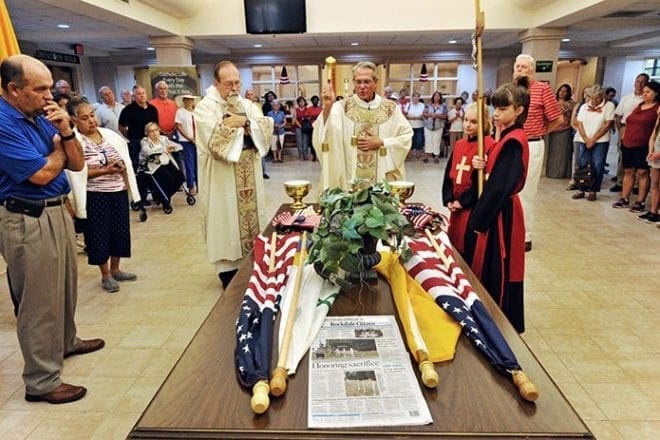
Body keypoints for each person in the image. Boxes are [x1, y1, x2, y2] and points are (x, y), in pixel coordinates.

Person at [0, 54, 105, 404]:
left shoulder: (41, 116)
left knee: (64, 286)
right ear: (14, 90)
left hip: (56, 209)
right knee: (38, 300)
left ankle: (65, 342)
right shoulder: (3, 122)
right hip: (26, 217)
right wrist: (58, 152)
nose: (50, 96)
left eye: (50, 88)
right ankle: (41, 380)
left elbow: (75, 163)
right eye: (40, 89)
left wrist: (64, 132)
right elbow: (41, 174)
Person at [194, 60, 273, 288]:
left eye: (237, 82)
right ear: (216, 83)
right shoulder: (206, 107)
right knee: (224, 217)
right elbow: (214, 141)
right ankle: (227, 269)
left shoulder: (246, 104)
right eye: (229, 83)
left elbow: (265, 127)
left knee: (250, 220)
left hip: (249, 172)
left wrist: (245, 122)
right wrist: (247, 131)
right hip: (222, 177)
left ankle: (252, 262)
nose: (235, 88)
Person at [464, 76, 531, 333]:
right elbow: (493, 176)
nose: (496, 114)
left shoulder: (514, 141)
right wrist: (482, 167)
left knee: (499, 264)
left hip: (501, 213)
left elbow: (500, 187)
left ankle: (499, 317)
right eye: (495, 108)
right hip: (498, 209)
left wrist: (478, 220)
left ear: (519, 111)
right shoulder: (505, 137)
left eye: (503, 109)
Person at [66, 96, 140, 292]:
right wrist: (106, 170)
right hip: (95, 195)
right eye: (85, 118)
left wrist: (121, 167)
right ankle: (105, 274)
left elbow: (124, 157)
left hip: (118, 190)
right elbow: (77, 171)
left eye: (92, 115)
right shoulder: (74, 141)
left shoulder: (108, 135)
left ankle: (116, 269)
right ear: (74, 120)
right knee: (99, 234)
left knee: (120, 231)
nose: (91, 120)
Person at [313, 61, 412, 191]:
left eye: (367, 81)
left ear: (375, 83)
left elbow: (406, 136)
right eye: (358, 82)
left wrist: (382, 142)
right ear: (354, 82)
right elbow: (326, 134)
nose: (362, 86)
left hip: (381, 179)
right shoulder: (342, 107)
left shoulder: (390, 108)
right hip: (350, 182)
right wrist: (327, 107)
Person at [512, 54, 562, 252]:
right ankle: (509, 232)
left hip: (532, 144)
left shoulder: (542, 90)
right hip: (511, 143)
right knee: (509, 190)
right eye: (517, 66)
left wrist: (539, 132)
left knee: (526, 191)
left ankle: (525, 235)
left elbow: (557, 119)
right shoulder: (511, 90)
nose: (520, 70)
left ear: (532, 70)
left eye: (524, 67)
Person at [442, 103, 494, 256]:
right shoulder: (459, 144)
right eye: (465, 120)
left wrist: (463, 201)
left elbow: (482, 181)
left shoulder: (488, 145)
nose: (468, 125)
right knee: (454, 243)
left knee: (468, 245)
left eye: (474, 122)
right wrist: (449, 198)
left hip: (471, 205)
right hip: (456, 203)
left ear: (485, 123)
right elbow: (448, 173)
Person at [612, 80, 660, 212]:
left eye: (648, 92)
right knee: (628, 171)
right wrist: (623, 135)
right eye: (643, 92)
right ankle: (624, 198)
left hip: (644, 144)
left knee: (642, 173)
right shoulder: (639, 106)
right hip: (628, 142)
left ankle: (640, 201)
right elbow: (627, 121)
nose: (644, 94)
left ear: (656, 93)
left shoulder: (657, 108)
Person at [570, 84, 615, 201]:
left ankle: (593, 191)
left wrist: (593, 139)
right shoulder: (585, 106)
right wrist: (586, 138)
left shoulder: (609, 106)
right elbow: (579, 123)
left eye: (597, 98)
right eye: (592, 98)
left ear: (602, 96)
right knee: (582, 164)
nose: (594, 101)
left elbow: (607, 124)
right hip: (583, 139)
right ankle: (581, 189)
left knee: (597, 165)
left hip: (600, 141)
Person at [611, 73, 649, 192]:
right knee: (623, 158)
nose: (640, 84)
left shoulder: (647, 99)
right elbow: (618, 116)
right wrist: (620, 130)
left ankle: (637, 184)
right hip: (625, 130)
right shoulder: (626, 98)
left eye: (643, 82)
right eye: (638, 81)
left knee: (639, 160)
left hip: (642, 133)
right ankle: (620, 181)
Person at [139, 122, 185, 209]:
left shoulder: (163, 139)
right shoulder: (145, 142)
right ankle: (164, 198)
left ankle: (162, 196)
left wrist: (173, 148)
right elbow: (148, 151)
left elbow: (179, 146)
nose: (154, 133)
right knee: (169, 178)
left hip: (166, 164)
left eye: (156, 130)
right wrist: (164, 149)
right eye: (151, 131)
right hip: (153, 166)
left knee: (180, 177)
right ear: (147, 133)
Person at [118, 85, 159, 168]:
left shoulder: (153, 109)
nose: (142, 95)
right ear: (134, 96)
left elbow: (156, 125)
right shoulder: (128, 110)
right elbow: (121, 127)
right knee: (139, 167)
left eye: (143, 93)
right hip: (136, 143)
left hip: (152, 142)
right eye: (139, 94)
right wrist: (131, 137)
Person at [545, 83, 575, 179]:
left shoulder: (571, 103)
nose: (562, 93)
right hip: (554, 129)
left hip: (565, 130)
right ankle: (552, 172)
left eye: (565, 91)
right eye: (561, 90)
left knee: (563, 152)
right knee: (553, 152)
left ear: (568, 93)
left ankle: (562, 173)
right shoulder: (552, 101)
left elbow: (572, 116)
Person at [174, 94, 199, 194]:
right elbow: (178, 126)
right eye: (187, 99)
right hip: (186, 141)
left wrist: (197, 138)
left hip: (198, 141)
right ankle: (191, 186)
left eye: (191, 99)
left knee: (198, 164)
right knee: (189, 164)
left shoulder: (197, 112)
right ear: (184, 101)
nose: (189, 101)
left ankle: (199, 185)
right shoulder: (180, 112)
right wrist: (189, 138)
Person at [244, 88, 269, 179]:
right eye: (248, 94)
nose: (250, 96)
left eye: (252, 94)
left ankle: (263, 172)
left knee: (260, 152)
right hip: (248, 132)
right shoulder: (243, 105)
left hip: (257, 131)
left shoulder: (257, 106)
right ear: (245, 96)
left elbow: (260, 118)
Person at [641, 113, 660, 224]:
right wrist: (650, 151)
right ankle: (653, 211)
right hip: (655, 156)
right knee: (655, 184)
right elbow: (653, 137)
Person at [422, 91, 448, 163]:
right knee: (428, 141)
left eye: (438, 96)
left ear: (440, 97)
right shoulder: (428, 105)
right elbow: (424, 114)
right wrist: (430, 115)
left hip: (438, 126)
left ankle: (436, 156)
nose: (436, 97)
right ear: (433, 97)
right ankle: (426, 156)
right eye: (435, 96)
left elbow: (446, 116)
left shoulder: (443, 106)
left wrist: (437, 116)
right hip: (428, 126)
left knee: (437, 141)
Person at [306, 95, 323, 161]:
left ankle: (318, 154)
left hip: (319, 126)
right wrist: (312, 117)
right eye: (314, 100)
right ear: (312, 101)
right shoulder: (309, 109)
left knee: (318, 141)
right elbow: (306, 117)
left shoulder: (320, 109)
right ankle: (313, 155)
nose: (315, 101)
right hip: (311, 127)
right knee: (312, 141)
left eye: (316, 100)